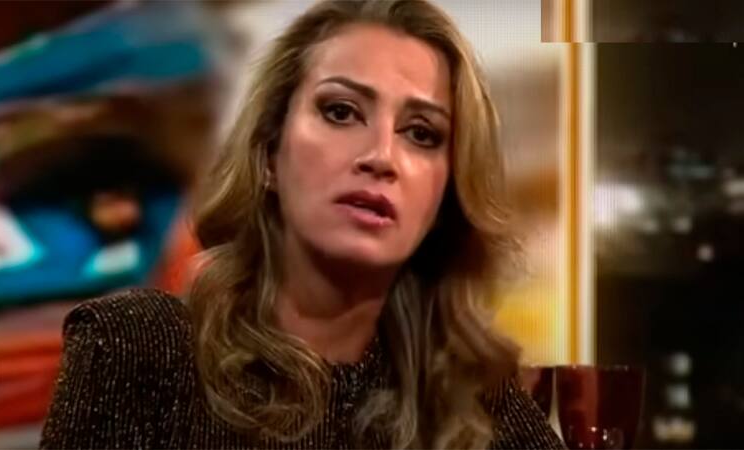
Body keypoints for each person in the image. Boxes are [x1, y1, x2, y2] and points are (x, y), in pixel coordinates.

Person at [40, 1, 565, 448]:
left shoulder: (472, 397)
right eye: (341, 111)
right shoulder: (137, 347)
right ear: (269, 153)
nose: (381, 156)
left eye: (422, 133)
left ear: (444, 198)